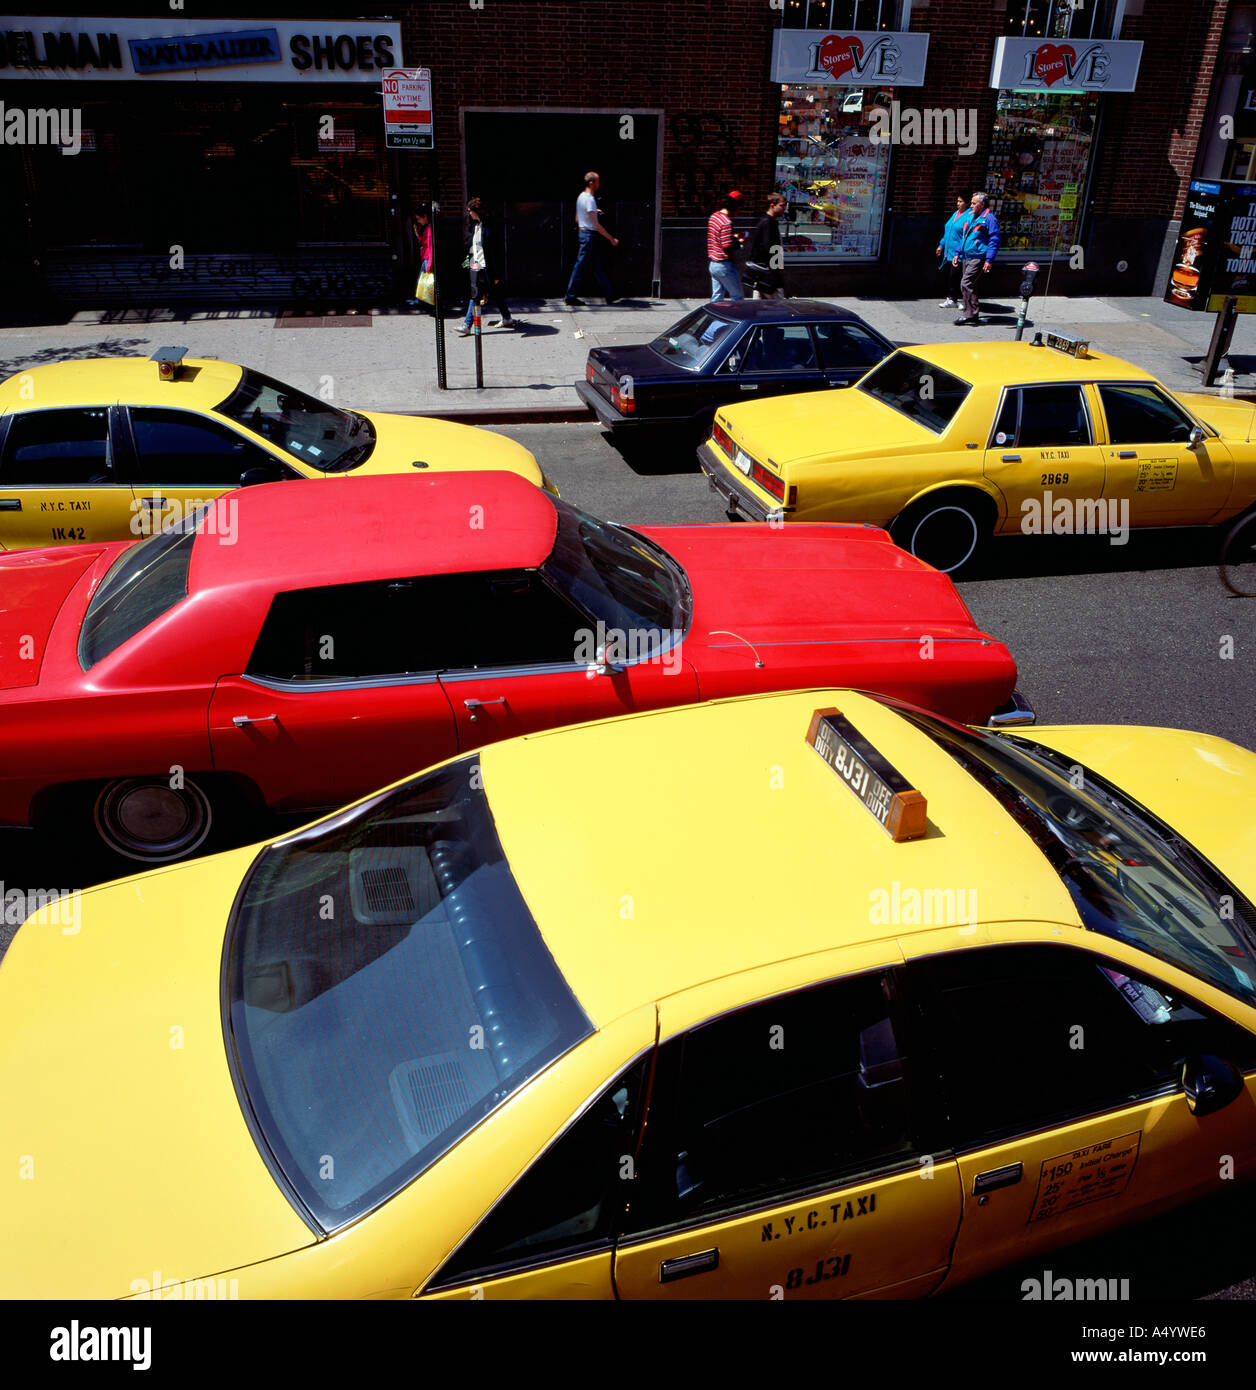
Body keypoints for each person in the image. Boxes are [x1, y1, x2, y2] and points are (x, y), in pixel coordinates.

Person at [458, 197, 512, 336]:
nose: (468, 213)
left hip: (487, 268)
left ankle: (467, 325)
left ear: (476, 211)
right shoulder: (475, 226)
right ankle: (506, 318)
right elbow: (472, 247)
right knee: (494, 293)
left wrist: (497, 274)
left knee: (476, 295)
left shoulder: (488, 228)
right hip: (477, 267)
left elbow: (495, 252)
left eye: (469, 210)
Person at [565, 171, 618, 306]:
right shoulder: (589, 199)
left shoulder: (581, 197)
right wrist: (611, 238)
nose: (599, 184)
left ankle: (609, 294)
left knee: (596, 266)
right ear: (591, 183)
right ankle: (570, 296)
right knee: (581, 266)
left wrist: (593, 212)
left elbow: (577, 219)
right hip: (589, 235)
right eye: (598, 181)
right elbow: (595, 225)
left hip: (583, 233)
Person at [952, 191, 1001, 326]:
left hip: (978, 257)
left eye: (974, 203)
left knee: (966, 283)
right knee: (970, 284)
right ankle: (973, 314)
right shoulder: (970, 216)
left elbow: (994, 240)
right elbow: (964, 236)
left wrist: (989, 260)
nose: (971, 205)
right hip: (967, 256)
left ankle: (969, 314)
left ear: (982, 204)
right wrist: (957, 253)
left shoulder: (989, 219)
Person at [744, 193, 788, 298]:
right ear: (772, 205)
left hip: (761, 273)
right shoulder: (768, 222)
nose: (784, 209)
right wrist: (777, 268)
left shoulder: (767, 221)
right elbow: (770, 247)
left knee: (759, 306)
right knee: (779, 304)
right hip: (766, 273)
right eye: (782, 205)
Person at [708, 190, 744, 302]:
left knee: (717, 298)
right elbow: (727, 247)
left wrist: (733, 237)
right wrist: (740, 242)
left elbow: (718, 238)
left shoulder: (714, 217)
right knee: (737, 297)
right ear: (734, 206)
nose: (739, 211)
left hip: (713, 264)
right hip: (724, 265)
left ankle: (713, 319)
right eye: (739, 208)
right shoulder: (727, 222)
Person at [935, 194, 967, 309]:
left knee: (957, 276)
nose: (957, 204)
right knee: (951, 276)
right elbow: (948, 231)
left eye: (960, 201)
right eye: (957, 201)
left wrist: (959, 251)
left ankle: (961, 299)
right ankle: (952, 298)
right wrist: (941, 245)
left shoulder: (968, 216)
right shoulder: (955, 214)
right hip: (949, 252)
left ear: (967, 203)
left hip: (959, 253)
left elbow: (965, 236)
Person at [406, 208, 434, 311]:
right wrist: (418, 234)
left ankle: (425, 303)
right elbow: (424, 243)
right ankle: (422, 302)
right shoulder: (428, 229)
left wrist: (430, 264)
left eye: (419, 219)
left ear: (425, 217)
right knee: (423, 282)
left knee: (425, 283)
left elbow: (430, 248)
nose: (418, 221)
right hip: (426, 259)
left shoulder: (430, 229)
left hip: (427, 259)